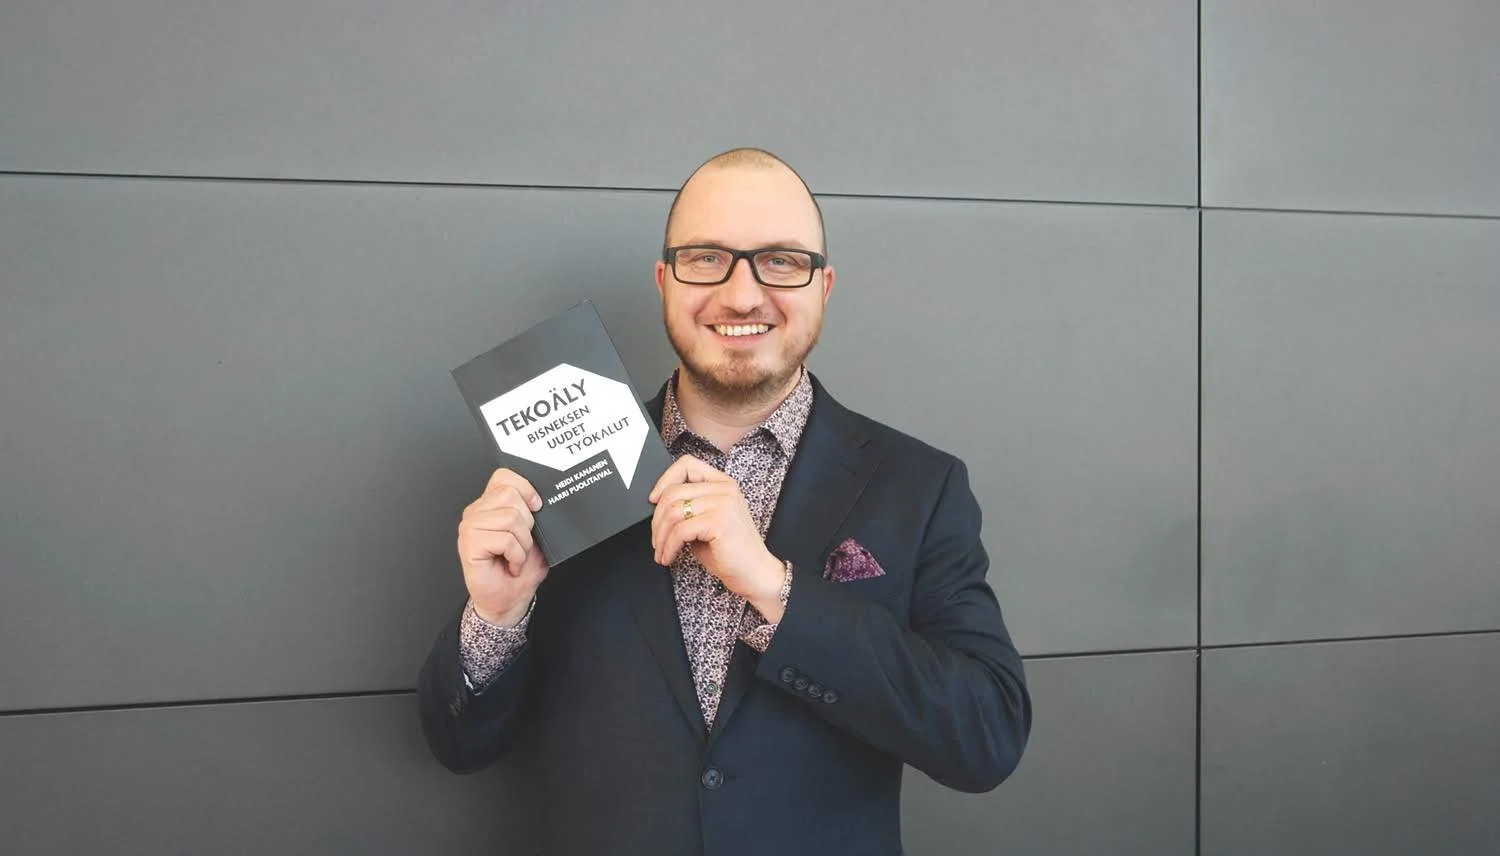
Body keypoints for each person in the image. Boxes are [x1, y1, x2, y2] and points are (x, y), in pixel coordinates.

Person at [417, 147, 1031, 855]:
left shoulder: (919, 485)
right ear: (664, 280)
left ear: (824, 285)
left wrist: (775, 590)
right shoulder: (557, 473)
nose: (742, 296)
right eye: (707, 258)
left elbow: (986, 736)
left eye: (781, 261)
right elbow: (459, 744)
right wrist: (497, 616)